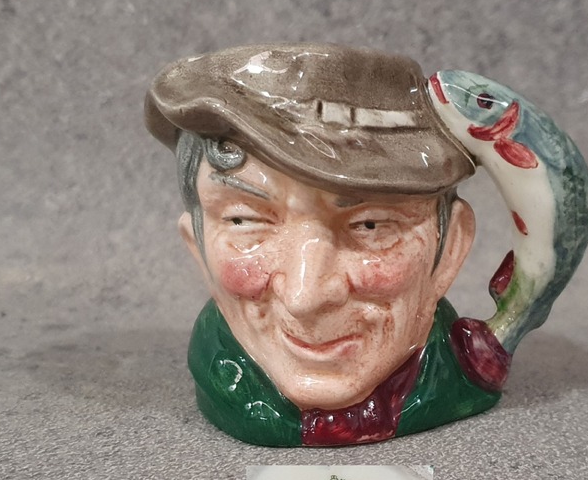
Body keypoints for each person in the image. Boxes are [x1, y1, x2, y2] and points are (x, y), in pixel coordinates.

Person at [144, 44, 518, 446]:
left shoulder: (468, 371)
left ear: (451, 251)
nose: (306, 297)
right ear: (198, 248)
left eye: (370, 225)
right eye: (245, 221)